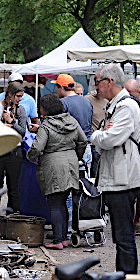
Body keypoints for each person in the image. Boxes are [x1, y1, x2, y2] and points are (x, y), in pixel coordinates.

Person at [91, 64, 140, 274]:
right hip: (117, 176)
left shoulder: (126, 106)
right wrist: (102, 135)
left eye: (97, 82)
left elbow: (109, 138)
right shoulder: (117, 105)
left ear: (109, 82)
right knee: (121, 236)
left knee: (124, 236)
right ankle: (124, 279)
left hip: (122, 178)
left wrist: (97, 135)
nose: (96, 88)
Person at [27, 94, 87, 250]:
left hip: (53, 165)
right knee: (63, 203)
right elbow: (83, 140)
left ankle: (58, 240)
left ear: (45, 109)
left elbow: (37, 147)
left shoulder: (46, 125)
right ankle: (64, 238)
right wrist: (77, 155)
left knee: (55, 204)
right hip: (71, 164)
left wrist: (31, 157)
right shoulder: (71, 120)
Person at [0, 82, 27, 212]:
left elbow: (22, 131)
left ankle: (12, 218)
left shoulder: (20, 109)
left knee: (14, 187)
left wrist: (12, 122)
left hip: (14, 152)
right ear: (10, 94)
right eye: (18, 96)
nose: (19, 99)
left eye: (21, 96)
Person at [52, 74, 93, 175]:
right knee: (85, 184)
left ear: (61, 87)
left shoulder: (62, 103)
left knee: (69, 184)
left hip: (70, 150)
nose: (56, 90)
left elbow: (58, 128)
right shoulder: (87, 101)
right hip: (87, 147)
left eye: (56, 87)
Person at [125, 78, 140, 236]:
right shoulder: (126, 107)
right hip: (131, 153)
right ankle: (133, 219)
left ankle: (136, 219)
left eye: (130, 93)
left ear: (139, 92)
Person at [85, 87, 108, 177]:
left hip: (106, 140)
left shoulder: (110, 101)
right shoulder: (88, 99)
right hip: (94, 141)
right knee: (95, 171)